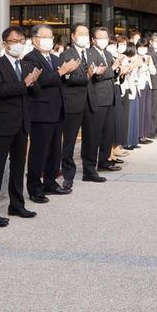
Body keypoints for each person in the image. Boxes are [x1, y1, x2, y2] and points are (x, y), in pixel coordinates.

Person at [0, 27, 41, 226]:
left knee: (18, 166)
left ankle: (17, 205)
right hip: (3, 124)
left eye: (21, 40)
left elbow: (35, 92)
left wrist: (34, 80)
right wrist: (25, 84)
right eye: (14, 40)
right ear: (4, 44)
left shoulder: (26, 64)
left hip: (22, 123)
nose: (19, 44)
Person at [24, 24, 79, 203]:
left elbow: (60, 79)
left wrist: (67, 72)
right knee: (39, 151)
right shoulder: (30, 58)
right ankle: (34, 188)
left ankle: (50, 182)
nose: (49, 40)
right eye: (44, 37)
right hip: (41, 112)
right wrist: (62, 71)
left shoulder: (54, 59)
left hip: (57, 110)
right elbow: (41, 80)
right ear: (34, 39)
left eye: (51, 36)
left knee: (55, 150)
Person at [59, 23, 99, 190]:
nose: (84, 36)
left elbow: (96, 76)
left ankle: (90, 171)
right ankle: (68, 175)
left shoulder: (91, 52)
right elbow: (69, 78)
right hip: (73, 102)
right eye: (80, 33)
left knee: (91, 138)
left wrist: (97, 73)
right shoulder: (66, 54)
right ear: (73, 36)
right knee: (69, 140)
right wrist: (88, 75)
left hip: (91, 100)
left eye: (86, 33)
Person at [85, 26, 122, 176]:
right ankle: (91, 165)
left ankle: (104, 160)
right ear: (93, 39)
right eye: (100, 38)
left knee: (108, 132)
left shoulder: (107, 52)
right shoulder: (90, 53)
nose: (103, 40)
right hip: (98, 98)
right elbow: (96, 75)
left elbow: (113, 72)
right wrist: (113, 68)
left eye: (105, 37)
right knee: (95, 134)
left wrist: (118, 69)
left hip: (110, 97)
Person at [136, 38, 156, 144]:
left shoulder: (149, 57)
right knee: (141, 110)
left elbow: (153, 72)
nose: (142, 49)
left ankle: (144, 134)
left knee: (147, 110)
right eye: (140, 47)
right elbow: (137, 72)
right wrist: (144, 66)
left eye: (144, 47)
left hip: (148, 85)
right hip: (139, 86)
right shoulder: (135, 57)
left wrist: (148, 64)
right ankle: (138, 135)